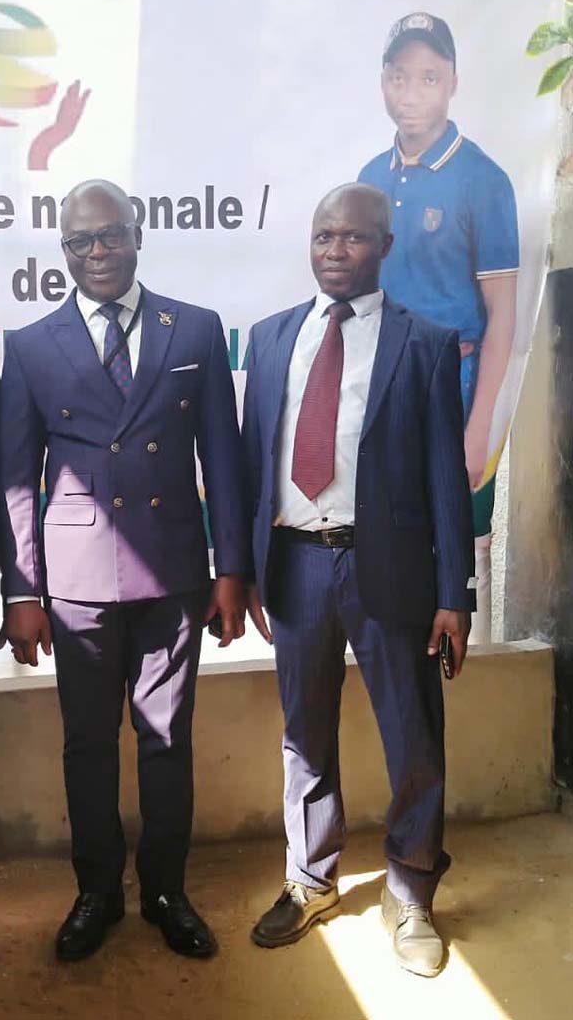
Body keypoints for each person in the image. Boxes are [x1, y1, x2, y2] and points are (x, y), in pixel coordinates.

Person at [0, 179, 251, 962]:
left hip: (172, 573)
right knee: (87, 743)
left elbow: (222, 456)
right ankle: (97, 893)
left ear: (137, 236)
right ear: (62, 251)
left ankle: (166, 890)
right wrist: (21, 588)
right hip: (75, 580)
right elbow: (16, 478)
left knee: (166, 738)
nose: (97, 252)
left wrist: (231, 568)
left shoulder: (194, 328)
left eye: (110, 234)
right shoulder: (30, 345)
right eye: (80, 241)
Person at [241, 183, 475, 977]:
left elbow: (446, 474)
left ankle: (410, 891)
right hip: (295, 563)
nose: (334, 250)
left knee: (411, 735)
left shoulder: (424, 343)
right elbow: (252, 458)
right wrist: (241, 569)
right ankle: (310, 878)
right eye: (322, 236)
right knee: (303, 734)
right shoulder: (271, 338)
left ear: (384, 246)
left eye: (352, 237)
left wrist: (453, 593)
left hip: (391, 570)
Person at [359, 12, 518, 640]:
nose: (411, 93)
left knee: (455, 541)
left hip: (453, 382)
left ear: (453, 82)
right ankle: (394, 657)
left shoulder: (484, 180)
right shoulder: (371, 179)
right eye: (399, 77)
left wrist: (478, 429)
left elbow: (502, 313)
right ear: (383, 82)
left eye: (429, 78)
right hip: (382, 383)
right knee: (391, 535)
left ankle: (458, 664)